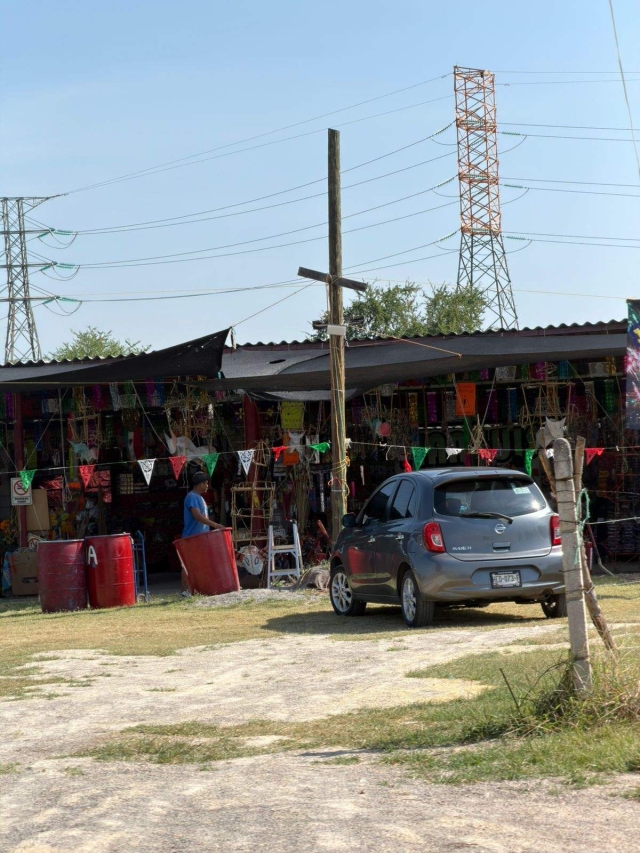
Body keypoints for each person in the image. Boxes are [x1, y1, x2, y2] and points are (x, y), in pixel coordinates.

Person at [180, 471, 224, 596]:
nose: (207, 486)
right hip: (192, 537)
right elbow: (197, 516)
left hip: (201, 537)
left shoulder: (199, 497)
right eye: (206, 483)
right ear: (199, 484)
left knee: (201, 564)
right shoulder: (192, 497)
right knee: (188, 564)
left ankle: (199, 589)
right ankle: (184, 591)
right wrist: (215, 525)